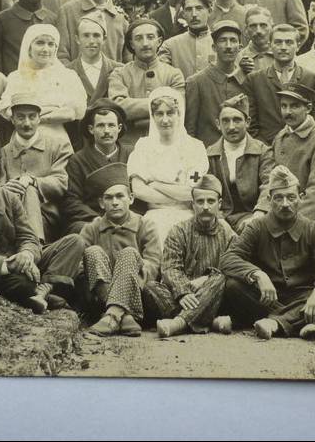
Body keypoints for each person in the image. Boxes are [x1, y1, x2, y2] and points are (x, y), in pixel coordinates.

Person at [0, 149, 85, 314]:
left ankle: (42, 291)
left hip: (23, 261)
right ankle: (39, 292)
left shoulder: (9, 197)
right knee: (22, 282)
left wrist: (27, 255)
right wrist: (10, 265)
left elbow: (28, 236)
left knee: (75, 242)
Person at [220, 165, 315, 341]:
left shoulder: (311, 228)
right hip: (267, 298)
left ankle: (274, 324)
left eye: (291, 197)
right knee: (232, 286)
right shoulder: (257, 226)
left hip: (302, 296)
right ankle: (300, 323)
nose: (285, 204)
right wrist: (258, 275)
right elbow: (228, 258)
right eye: (278, 198)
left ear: (300, 199)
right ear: (269, 200)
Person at [148, 174, 237, 338]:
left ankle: (177, 323)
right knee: (151, 287)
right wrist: (183, 292)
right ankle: (208, 321)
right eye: (200, 201)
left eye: (210, 201)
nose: (205, 206)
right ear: (192, 204)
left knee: (220, 279)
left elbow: (234, 266)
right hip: (182, 295)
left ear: (220, 204)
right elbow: (170, 267)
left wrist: (206, 279)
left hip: (214, 294)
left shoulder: (227, 233)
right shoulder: (179, 231)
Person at [81, 163, 162, 337]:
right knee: (92, 251)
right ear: (101, 203)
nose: (115, 202)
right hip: (98, 300)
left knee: (129, 253)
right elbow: (80, 267)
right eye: (109, 198)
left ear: (131, 198)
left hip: (138, 296)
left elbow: (153, 265)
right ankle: (123, 316)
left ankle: (112, 316)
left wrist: (126, 282)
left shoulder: (145, 225)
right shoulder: (91, 229)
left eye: (120, 196)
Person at [127, 86, 208, 243]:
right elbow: (138, 190)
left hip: (188, 215)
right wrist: (176, 194)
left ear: (179, 114)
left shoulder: (195, 147)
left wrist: (156, 184)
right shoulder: (143, 147)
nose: (165, 120)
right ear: (153, 116)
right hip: (155, 215)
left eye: (170, 113)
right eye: (159, 114)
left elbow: (190, 192)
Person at [0, 93, 73, 244]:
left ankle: (34, 246)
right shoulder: (4, 152)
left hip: (48, 215)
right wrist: (6, 188)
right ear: (12, 120)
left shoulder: (59, 146)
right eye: (20, 117)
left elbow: (61, 182)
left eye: (32, 117)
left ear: (39, 118)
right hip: (11, 215)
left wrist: (33, 181)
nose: (27, 123)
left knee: (30, 190)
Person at [0, 23, 87, 147]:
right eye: (40, 43)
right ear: (29, 47)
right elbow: (6, 110)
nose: (45, 49)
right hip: (23, 140)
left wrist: (29, 116)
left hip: (56, 141)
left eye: (51, 44)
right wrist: (52, 110)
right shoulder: (15, 77)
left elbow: (72, 113)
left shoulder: (68, 76)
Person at [109, 18, 186, 146]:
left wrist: (135, 111)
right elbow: (119, 108)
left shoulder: (174, 74)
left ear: (159, 41)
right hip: (129, 145)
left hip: (166, 144)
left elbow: (177, 108)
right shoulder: (119, 74)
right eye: (139, 38)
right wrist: (160, 103)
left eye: (150, 37)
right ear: (132, 44)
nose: (145, 43)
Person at [243, 24, 315, 143]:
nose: (283, 47)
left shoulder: (313, 80)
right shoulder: (254, 80)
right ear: (270, 46)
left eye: (289, 42)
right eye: (278, 42)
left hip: (303, 151)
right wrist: (265, 151)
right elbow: (251, 125)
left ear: (297, 46)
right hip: (266, 151)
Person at [272, 84, 315, 228]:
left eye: (294, 106)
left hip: (308, 220)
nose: (287, 112)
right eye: (284, 106)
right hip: (280, 215)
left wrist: (289, 221)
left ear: (308, 108)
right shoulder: (280, 137)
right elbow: (272, 182)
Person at [62, 100, 132, 235]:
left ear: (119, 128)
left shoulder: (132, 154)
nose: (106, 131)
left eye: (111, 125)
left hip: (127, 217)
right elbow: (71, 201)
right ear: (91, 129)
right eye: (100, 125)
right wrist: (100, 220)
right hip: (93, 219)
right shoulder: (78, 160)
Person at [205, 94, 273, 232]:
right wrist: (217, 217)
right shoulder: (209, 154)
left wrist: (259, 213)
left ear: (247, 122)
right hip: (219, 217)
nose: (231, 127)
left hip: (251, 215)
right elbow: (205, 188)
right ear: (218, 124)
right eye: (225, 121)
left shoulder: (262, 151)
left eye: (237, 120)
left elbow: (269, 184)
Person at [184, 19, 245, 146]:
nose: (228, 46)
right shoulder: (196, 82)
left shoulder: (247, 80)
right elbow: (190, 131)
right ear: (214, 47)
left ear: (240, 48)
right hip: (209, 157)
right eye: (222, 40)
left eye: (233, 40)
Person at [159, 0, 216, 79]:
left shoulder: (221, 42)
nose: (194, 14)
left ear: (209, 11)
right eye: (189, 9)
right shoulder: (170, 46)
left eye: (199, 8)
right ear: (184, 14)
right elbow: (163, 77)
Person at [235, 6, 274, 77]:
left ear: (272, 27)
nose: (258, 31)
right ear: (246, 30)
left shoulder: (282, 54)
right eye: (253, 26)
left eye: (263, 25)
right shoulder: (238, 58)